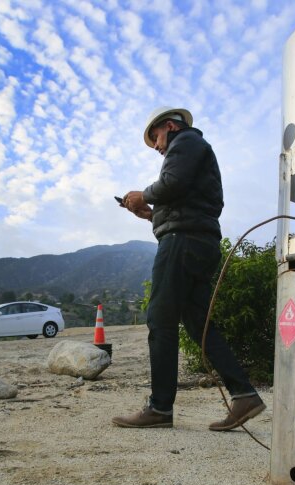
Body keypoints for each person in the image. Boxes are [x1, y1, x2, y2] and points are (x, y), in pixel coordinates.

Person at [112, 106, 265, 430]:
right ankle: (244, 395)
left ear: (170, 126)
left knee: (160, 318)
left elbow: (172, 182)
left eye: (155, 138)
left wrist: (143, 195)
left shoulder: (186, 142)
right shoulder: (193, 151)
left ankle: (159, 408)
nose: (156, 146)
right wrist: (151, 213)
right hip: (198, 241)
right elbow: (182, 195)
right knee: (199, 324)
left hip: (182, 242)